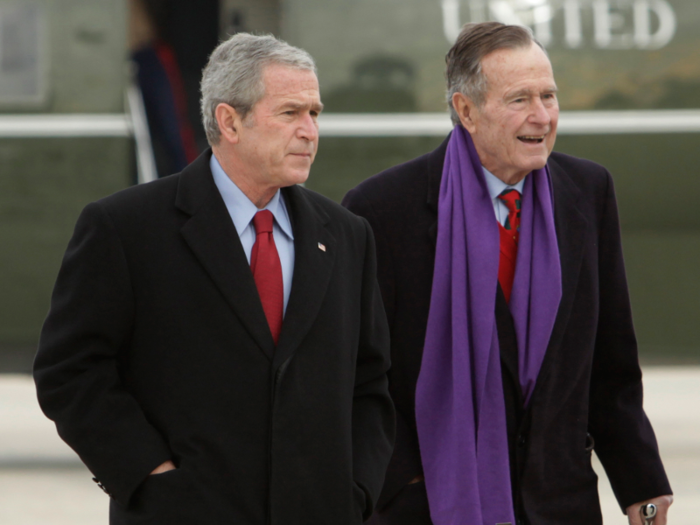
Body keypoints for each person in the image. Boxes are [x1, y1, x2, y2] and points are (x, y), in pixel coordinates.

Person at [34, 33, 394, 525]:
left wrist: (356, 491)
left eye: (315, 113)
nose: (310, 131)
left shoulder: (348, 235)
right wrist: (149, 475)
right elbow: (70, 371)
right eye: (290, 113)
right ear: (229, 121)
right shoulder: (126, 228)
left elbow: (370, 383)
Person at [343, 22, 671, 525]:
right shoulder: (382, 209)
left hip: (560, 501)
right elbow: (363, 373)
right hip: (433, 503)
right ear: (466, 110)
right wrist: (402, 479)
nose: (542, 116)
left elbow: (611, 363)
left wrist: (642, 486)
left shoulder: (587, 192)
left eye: (549, 95)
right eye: (520, 99)